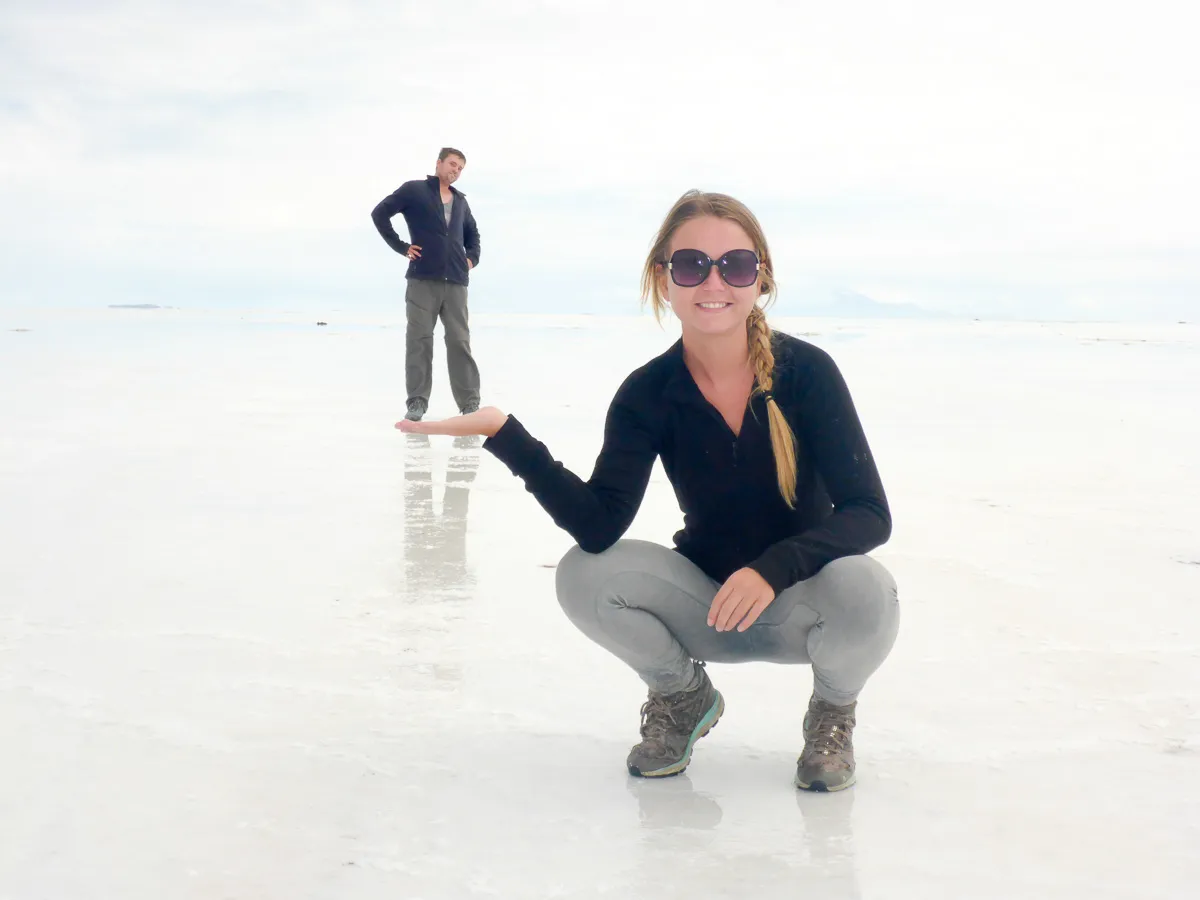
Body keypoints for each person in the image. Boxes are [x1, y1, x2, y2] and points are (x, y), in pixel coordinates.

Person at [395, 190, 899, 792]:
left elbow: (869, 514)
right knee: (582, 573)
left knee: (867, 588)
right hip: (708, 607)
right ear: (663, 280)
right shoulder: (649, 392)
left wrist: (773, 569)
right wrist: (506, 435)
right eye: (691, 264)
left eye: (735, 264)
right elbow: (600, 524)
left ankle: (831, 716)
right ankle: (682, 697)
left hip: (802, 607)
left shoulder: (807, 373)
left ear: (760, 279)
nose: (713, 282)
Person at [372, 147, 482, 421]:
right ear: (439, 163)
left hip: (456, 282)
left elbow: (473, 235)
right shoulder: (414, 191)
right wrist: (401, 247)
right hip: (422, 279)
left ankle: (469, 404)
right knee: (419, 341)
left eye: (460, 168)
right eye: (452, 164)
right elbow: (379, 214)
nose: (455, 171)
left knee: (459, 341)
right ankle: (417, 403)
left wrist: (471, 259)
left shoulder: (461, 202)